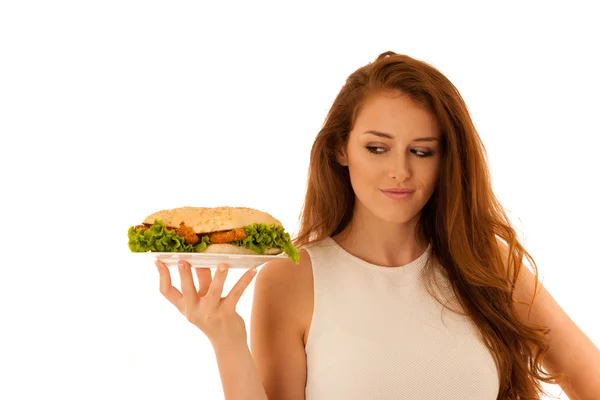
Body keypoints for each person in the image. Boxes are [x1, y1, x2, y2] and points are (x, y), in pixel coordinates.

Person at [155, 52, 600, 399]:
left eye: (422, 151)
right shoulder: (293, 279)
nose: (400, 172)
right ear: (340, 150)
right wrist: (227, 338)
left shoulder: (487, 266)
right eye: (377, 148)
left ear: (447, 160)